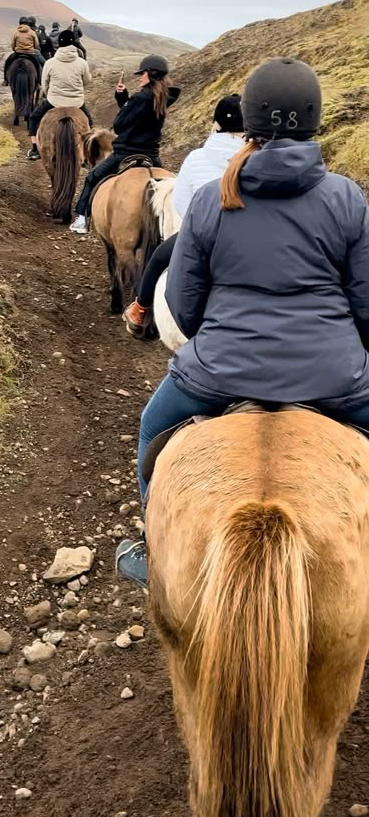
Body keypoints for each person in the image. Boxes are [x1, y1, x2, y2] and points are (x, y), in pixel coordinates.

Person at [116, 57, 369, 588]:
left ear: (248, 121)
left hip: (219, 371)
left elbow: (184, 305)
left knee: (150, 430)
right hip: (334, 376)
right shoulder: (348, 197)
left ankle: (151, 548)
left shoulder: (212, 198)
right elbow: (365, 303)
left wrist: (219, 337)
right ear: (315, 119)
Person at [123, 94, 244, 336]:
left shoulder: (197, 157)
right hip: (248, 235)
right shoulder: (254, 156)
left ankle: (139, 309)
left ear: (216, 124)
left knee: (158, 259)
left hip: (205, 235)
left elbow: (181, 203)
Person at [69, 55, 180, 234]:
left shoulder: (140, 98)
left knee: (92, 177)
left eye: (142, 74)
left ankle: (81, 218)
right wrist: (124, 98)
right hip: (152, 154)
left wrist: (128, 102)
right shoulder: (164, 95)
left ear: (150, 74)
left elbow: (120, 124)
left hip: (126, 152)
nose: (139, 77)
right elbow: (139, 115)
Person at [26, 29, 93, 160]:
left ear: (60, 44)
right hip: (76, 103)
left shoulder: (50, 63)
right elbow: (87, 81)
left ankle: (35, 150)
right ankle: (86, 154)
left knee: (34, 118)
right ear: (73, 43)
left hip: (53, 101)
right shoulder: (82, 63)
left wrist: (48, 93)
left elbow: (44, 83)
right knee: (90, 122)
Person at [3, 16, 44, 83]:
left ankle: (5, 80)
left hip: (18, 53)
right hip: (30, 53)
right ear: (27, 23)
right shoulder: (32, 32)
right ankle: (39, 82)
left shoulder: (16, 32)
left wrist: (14, 49)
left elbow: (13, 44)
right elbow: (36, 44)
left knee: (7, 62)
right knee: (37, 65)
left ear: (19, 23)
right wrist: (33, 48)